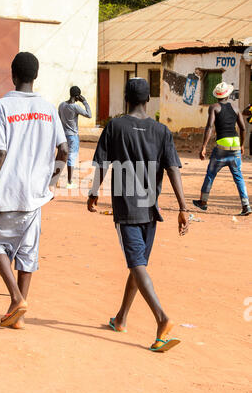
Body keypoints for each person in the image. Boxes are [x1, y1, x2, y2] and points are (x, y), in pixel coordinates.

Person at [87, 77, 189, 353]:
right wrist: (182, 207)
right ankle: (121, 318)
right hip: (150, 209)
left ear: (126, 99)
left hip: (127, 208)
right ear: (148, 101)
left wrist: (93, 192)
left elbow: (101, 163)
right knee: (138, 264)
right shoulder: (161, 131)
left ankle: (162, 319)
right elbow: (173, 169)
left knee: (136, 264)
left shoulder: (115, 126)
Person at [0, 52, 68, 329]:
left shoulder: (3, 106)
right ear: (36, 76)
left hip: (7, 190)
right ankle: (18, 314)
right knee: (27, 254)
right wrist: (51, 184)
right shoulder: (49, 108)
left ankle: (17, 298)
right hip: (35, 195)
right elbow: (64, 150)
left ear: (13, 75)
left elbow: (0, 152)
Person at [193, 82, 251, 216]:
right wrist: (242, 145)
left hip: (221, 148)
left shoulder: (214, 107)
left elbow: (209, 127)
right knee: (239, 177)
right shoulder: (236, 109)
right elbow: (242, 128)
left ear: (217, 95)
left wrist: (203, 147)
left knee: (210, 174)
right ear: (228, 95)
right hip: (235, 145)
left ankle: (203, 202)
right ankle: (246, 205)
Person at [58, 86, 92, 189]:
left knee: (61, 156)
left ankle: (55, 180)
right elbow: (89, 115)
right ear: (77, 96)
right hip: (72, 135)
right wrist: (85, 102)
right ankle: (69, 182)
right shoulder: (75, 107)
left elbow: (59, 119)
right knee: (71, 158)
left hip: (63, 135)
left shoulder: (62, 105)